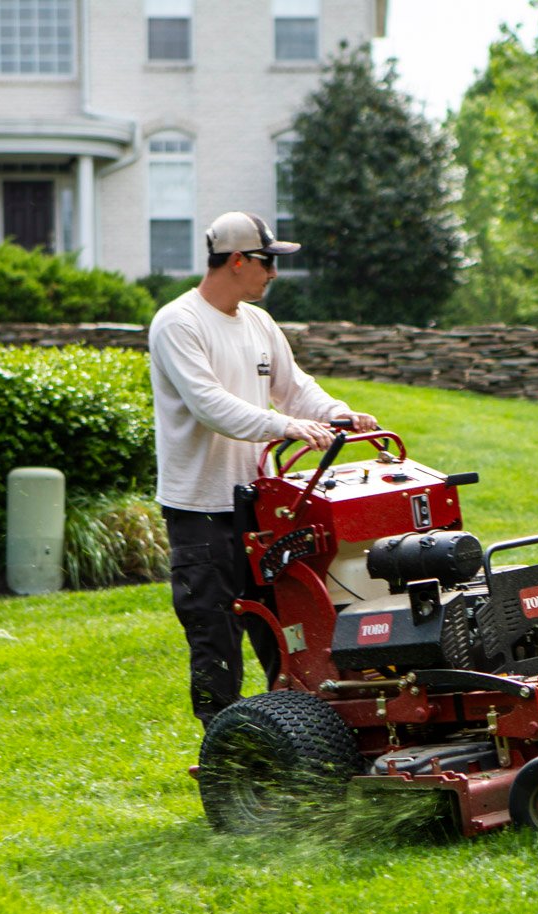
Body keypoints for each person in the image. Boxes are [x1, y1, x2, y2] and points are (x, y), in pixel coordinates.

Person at [147, 211, 379, 730]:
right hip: (199, 511)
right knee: (216, 640)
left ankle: (305, 740)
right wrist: (287, 427)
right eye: (266, 262)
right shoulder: (178, 323)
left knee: (289, 629)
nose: (272, 273)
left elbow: (295, 387)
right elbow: (211, 405)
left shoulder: (257, 322)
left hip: (261, 506)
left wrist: (335, 412)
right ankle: (226, 759)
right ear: (235, 262)